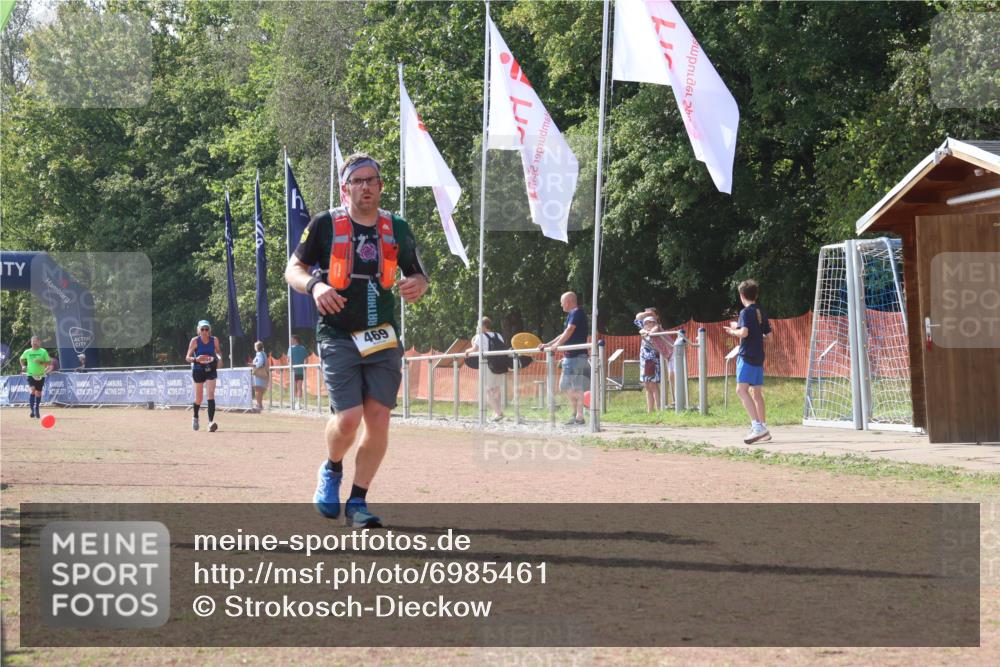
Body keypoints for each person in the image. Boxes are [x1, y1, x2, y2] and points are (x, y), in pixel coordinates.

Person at [285, 152, 429, 528]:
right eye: (358, 181)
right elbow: (293, 269)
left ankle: (358, 502)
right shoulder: (324, 225)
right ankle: (332, 470)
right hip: (337, 334)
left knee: (378, 419)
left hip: (382, 336)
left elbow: (418, 274)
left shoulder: (396, 227)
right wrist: (315, 287)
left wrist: (418, 285)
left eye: (372, 180)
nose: (365, 187)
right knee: (348, 419)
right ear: (345, 187)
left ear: (381, 186)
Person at [725, 279, 773, 444]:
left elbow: (744, 333)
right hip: (759, 356)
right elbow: (769, 337)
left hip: (747, 356)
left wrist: (733, 331)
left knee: (741, 390)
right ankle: (763, 427)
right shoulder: (761, 311)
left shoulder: (745, 312)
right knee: (756, 393)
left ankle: (757, 427)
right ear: (756, 294)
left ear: (741, 295)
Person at [539, 291, 590, 426]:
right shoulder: (575, 314)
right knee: (575, 386)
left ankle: (578, 414)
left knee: (565, 385)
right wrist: (549, 344)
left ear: (568, 301)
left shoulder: (575, 312)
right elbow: (564, 332)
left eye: (562, 302)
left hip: (574, 356)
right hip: (577, 356)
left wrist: (556, 345)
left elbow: (569, 330)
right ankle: (578, 415)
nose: (561, 305)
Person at [185, 319, 222, 432]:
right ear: (198, 330)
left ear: (209, 330)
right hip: (198, 368)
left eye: (206, 329)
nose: (205, 331)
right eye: (202, 329)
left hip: (211, 367)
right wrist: (196, 359)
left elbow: (218, 352)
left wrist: (220, 359)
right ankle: (195, 416)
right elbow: (187, 358)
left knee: (210, 394)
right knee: (199, 398)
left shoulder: (214, 340)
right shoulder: (195, 341)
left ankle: (210, 422)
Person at [468, 316, 506, 421]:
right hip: (500, 365)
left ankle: (498, 413)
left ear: (483, 326)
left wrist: (467, 351)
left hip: (488, 365)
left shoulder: (481, 336)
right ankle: (496, 412)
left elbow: (474, 349)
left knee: (487, 390)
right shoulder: (498, 335)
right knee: (496, 389)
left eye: (478, 325)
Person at [635, 311, 662, 413]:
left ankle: (659, 410)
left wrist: (648, 331)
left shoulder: (657, 328)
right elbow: (638, 318)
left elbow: (655, 330)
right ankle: (650, 411)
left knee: (653, 385)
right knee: (647, 385)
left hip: (652, 360)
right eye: (646, 322)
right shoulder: (643, 329)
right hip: (644, 361)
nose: (648, 324)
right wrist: (647, 313)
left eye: (651, 322)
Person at [19, 336, 51, 419]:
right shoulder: (27, 351)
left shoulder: (43, 351)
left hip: (41, 374)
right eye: (33, 341)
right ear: (31, 343)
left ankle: (37, 409)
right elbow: (21, 359)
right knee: (32, 390)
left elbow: (48, 363)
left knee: (39, 393)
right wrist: (23, 366)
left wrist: (40, 362)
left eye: (36, 341)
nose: (34, 343)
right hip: (30, 374)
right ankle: (32, 410)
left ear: (39, 342)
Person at [288, 335, 309, 410]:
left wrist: (289, 367)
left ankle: (294, 403)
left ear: (295, 340)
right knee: (299, 387)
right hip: (301, 371)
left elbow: (289, 360)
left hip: (293, 371)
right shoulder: (303, 348)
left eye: (292, 339)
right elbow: (306, 359)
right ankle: (298, 403)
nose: (290, 341)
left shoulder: (290, 349)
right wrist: (304, 367)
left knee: (294, 387)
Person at [252, 340, 269, 411]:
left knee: (257, 389)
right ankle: (260, 404)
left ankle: (259, 404)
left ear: (257, 347)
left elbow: (260, 362)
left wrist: (255, 365)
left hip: (259, 373)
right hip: (264, 373)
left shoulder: (259, 354)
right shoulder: (263, 353)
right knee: (260, 390)